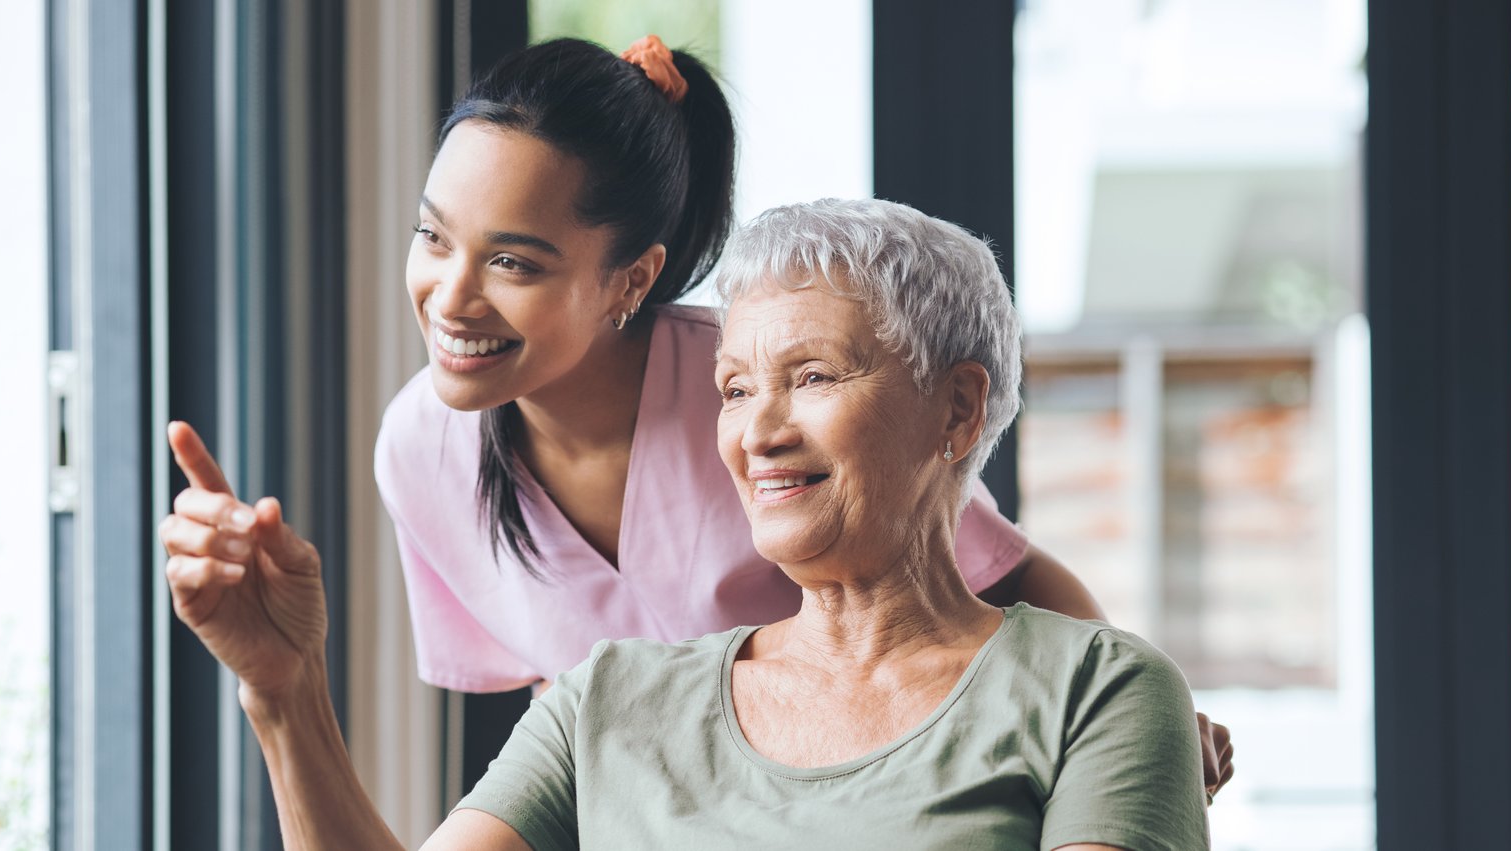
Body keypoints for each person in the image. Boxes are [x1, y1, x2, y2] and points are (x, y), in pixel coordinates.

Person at [158, 198, 1211, 849]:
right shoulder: (607, 699)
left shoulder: (1101, 694)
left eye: (811, 375)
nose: (759, 430)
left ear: (959, 408)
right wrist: (284, 692)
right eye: (736, 388)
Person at [367, 34, 1232, 794]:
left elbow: (1007, 570)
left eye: (514, 262)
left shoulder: (756, 391)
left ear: (631, 279)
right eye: (432, 236)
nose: (450, 297)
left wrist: (1145, 715)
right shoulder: (417, 453)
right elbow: (548, 699)